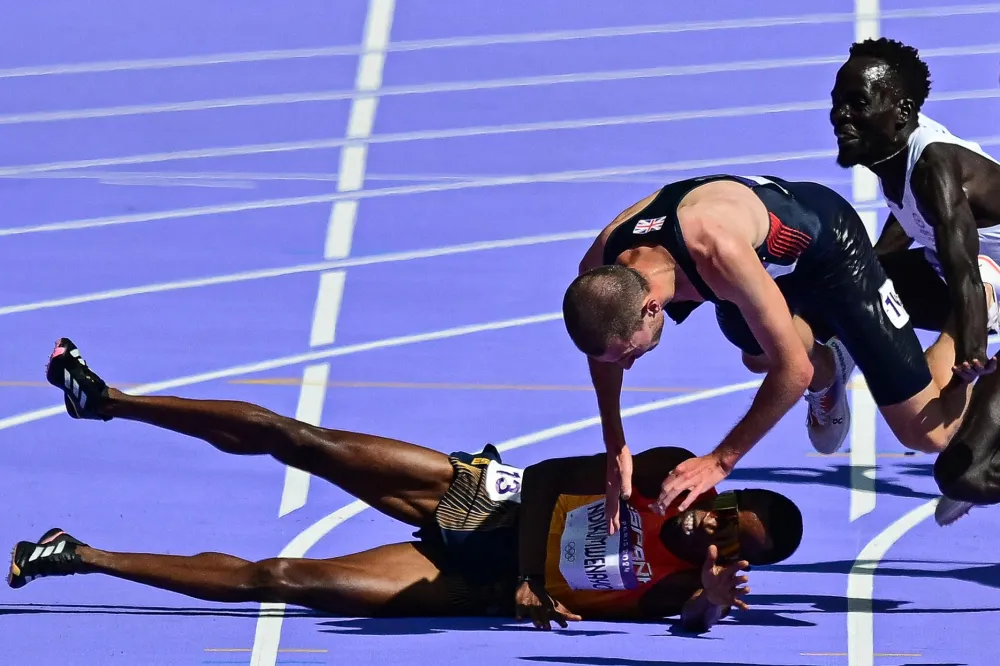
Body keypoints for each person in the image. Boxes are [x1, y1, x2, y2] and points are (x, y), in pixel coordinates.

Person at [8, 338, 803, 633]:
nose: (711, 531)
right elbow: (556, 478)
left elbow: (686, 624)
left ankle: (77, 555)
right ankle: (109, 402)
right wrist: (535, 573)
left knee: (278, 579)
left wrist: (702, 605)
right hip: (488, 503)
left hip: (470, 581)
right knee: (301, 439)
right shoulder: (669, 472)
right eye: (726, 516)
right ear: (725, 494)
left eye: (733, 545)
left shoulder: (681, 588)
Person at [563, 171, 994, 533]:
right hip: (766, 266)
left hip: (830, 251)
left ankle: (978, 301)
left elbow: (793, 372)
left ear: (651, 306)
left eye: (628, 354)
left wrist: (721, 460)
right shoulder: (599, 270)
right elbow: (603, 353)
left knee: (929, 434)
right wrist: (614, 442)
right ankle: (836, 363)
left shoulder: (716, 253)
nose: (626, 364)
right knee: (756, 354)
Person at [830, 37, 1000, 525]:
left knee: (965, 476)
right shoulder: (893, 150)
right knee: (841, 279)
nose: (841, 113)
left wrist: (970, 357)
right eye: (837, 101)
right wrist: (862, 278)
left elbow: (965, 271)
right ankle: (833, 367)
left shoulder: (935, 167)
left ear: (899, 110)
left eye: (856, 103)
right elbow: (910, 223)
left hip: (978, 289)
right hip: (974, 285)